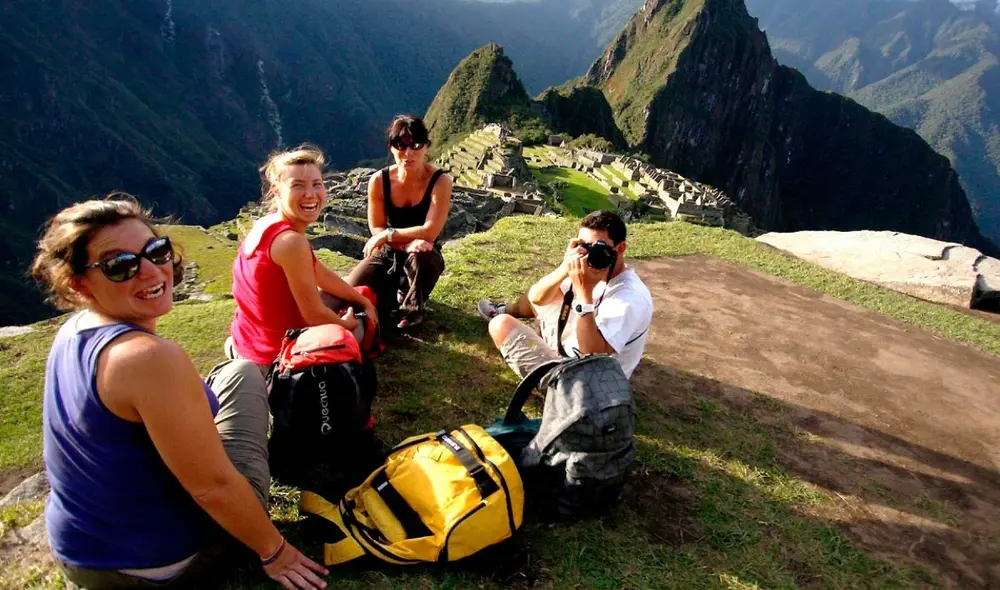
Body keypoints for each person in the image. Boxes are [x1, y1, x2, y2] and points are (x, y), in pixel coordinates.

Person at [30, 196, 327, 589]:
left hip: (80, 552)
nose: (152, 271)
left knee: (239, 371)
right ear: (78, 284)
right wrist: (276, 552)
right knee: (247, 384)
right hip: (157, 564)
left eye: (156, 251)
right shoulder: (148, 360)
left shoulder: (74, 331)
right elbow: (212, 487)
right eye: (121, 266)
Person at [229, 144, 378, 371]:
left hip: (245, 342)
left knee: (349, 294)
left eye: (317, 184)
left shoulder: (266, 224)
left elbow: (320, 273)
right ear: (277, 190)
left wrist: (362, 300)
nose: (311, 194)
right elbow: (314, 314)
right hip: (275, 357)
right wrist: (346, 323)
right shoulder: (291, 242)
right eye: (298, 185)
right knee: (360, 325)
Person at [479, 210, 653, 380]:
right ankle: (505, 310)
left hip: (585, 384)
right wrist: (564, 267)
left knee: (500, 325)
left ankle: (548, 383)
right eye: (584, 246)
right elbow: (537, 299)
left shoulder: (631, 298)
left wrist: (585, 292)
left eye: (598, 248)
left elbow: (593, 354)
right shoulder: (587, 265)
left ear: (620, 248)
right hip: (569, 349)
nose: (589, 254)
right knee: (547, 294)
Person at [346, 115, 453, 329]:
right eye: (400, 146)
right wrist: (401, 242)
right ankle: (393, 294)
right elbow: (376, 226)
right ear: (391, 148)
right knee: (349, 290)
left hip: (424, 251)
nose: (408, 153)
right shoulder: (379, 181)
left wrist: (388, 235)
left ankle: (412, 309)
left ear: (426, 147)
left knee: (422, 256)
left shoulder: (440, 181)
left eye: (415, 145)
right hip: (389, 250)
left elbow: (429, 231)